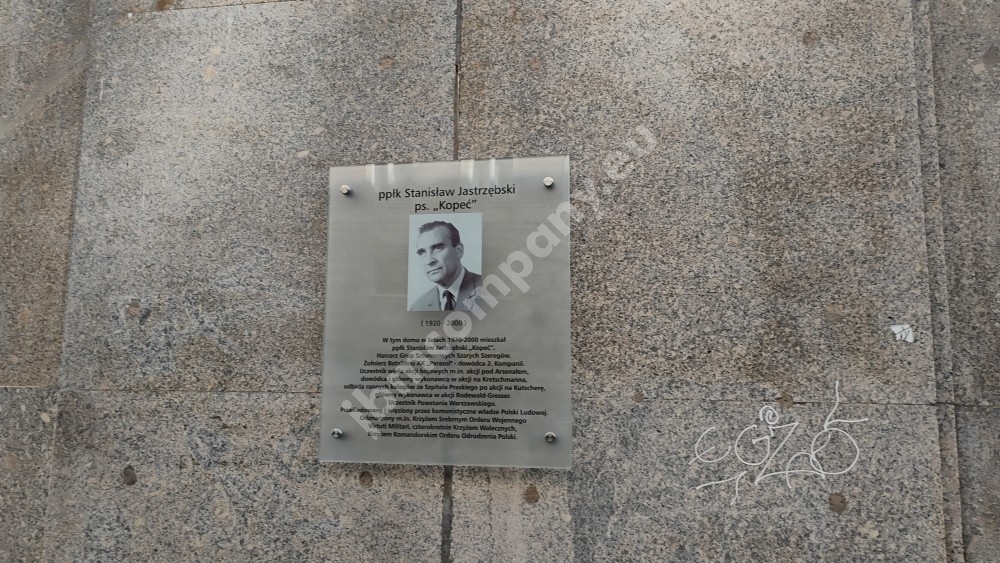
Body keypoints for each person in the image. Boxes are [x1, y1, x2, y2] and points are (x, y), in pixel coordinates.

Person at [409, 220, 482, 311]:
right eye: (422, 253)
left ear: (459, 251)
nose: (429, 261)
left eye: (437, 248)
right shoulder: (417, 307)